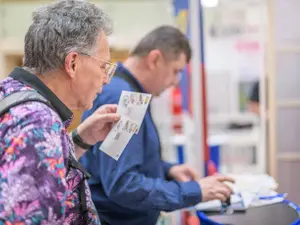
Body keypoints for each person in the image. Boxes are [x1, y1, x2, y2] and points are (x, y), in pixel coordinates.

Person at [80, 26, 235, 225]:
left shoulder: (125, 90)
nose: (175, 81)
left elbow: (115, 165)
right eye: (175, 71)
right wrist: (194, 191)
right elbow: (122, 185)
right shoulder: (127, 100)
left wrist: (167, 170)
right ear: (155, 59)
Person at [0, 0, 120, 224]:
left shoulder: (11, 94)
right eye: (104, 66)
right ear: (73, 63)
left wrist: (80, 139)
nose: (105, 79)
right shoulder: (38, 122)